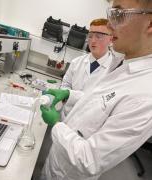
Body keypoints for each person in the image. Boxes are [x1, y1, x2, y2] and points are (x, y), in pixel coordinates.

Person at [40, 0, 152, 179]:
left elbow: (89, 160)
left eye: (119, 14)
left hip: (69, 173)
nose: (109, 24)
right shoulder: (121, 62)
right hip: (58, 156)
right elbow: (96, 101)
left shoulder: (145, 97)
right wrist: (69, 93)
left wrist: (56, 124)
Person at [61, 18, 113, 91]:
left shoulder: (114, 70)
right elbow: (66, 84)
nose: (93, 41)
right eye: (90, 36)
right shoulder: (76, 62)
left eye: (98, 36)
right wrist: (66, 95)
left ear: (111, 40)